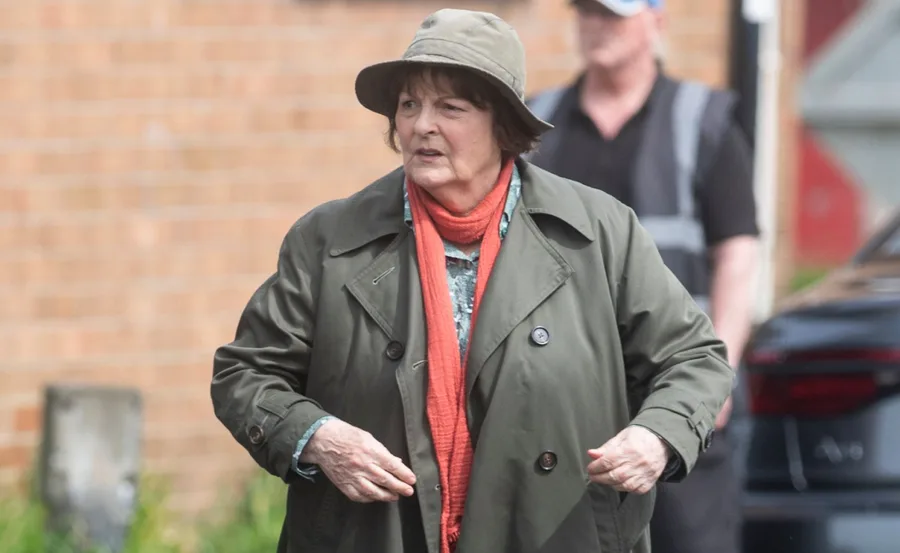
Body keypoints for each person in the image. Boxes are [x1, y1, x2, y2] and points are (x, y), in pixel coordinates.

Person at [211, 8, 734, 553]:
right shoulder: (329, 238)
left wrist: (656, 437)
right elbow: (246, 374)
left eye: (449, 107)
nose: (420, 125)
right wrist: (317, 437)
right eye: (409, 104)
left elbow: (695, 359)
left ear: (502, 126)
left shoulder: (599, 231)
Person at [525, 1, 760, 553]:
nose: (596, 24)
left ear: (657, 22)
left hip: (675, 391)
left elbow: (738, 254)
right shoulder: (538, 122)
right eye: (587, 10)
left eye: (613, 13)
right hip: (566, 403)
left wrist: (718, 372)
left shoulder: (705, 121)